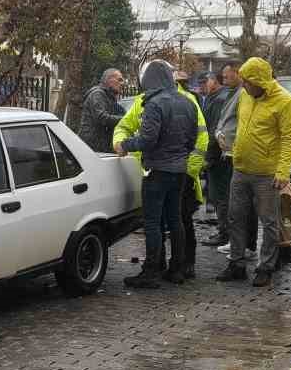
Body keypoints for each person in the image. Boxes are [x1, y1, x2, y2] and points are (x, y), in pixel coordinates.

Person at [115, 68, 208, 279]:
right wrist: (181, 157)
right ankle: (177, 269)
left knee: (153, 223)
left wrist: (125, 145)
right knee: (176, 220)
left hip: (157, 171)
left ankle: (150, 272)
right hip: (180, 171)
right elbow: (193, 139)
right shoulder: (188, 102)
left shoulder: (154, 104)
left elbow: (148, 140)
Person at [216, 57, 291, 289]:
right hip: (240, 168)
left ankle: (266, 267)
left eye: (247, 81)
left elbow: (289, 138)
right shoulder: (245, 95)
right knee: (235, 217)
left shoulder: (285, 101)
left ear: (260, 81)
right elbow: (240, 125)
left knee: (269, 221)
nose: (243, 85)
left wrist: (283, 170)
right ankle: (237, 263)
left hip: (267, 173)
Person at [201, 64, 239, 242]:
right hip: (220, 154)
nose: (205, 84)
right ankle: (225, 231)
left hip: (219, 157)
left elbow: (215, 129)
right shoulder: (218, 97)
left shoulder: (219, 99)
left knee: (221, 195)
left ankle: (225, 233)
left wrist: (209, 157)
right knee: (220, 195)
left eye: (207, 80)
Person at [79, 68, 127, 153]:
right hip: (92, 149)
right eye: (119, 80)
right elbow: (102, 117)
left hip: (100, 149)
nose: (122, 83)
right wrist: (125, 119)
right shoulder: (97, 94)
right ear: (109, 80)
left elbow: (123, 114)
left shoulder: (110, 98)